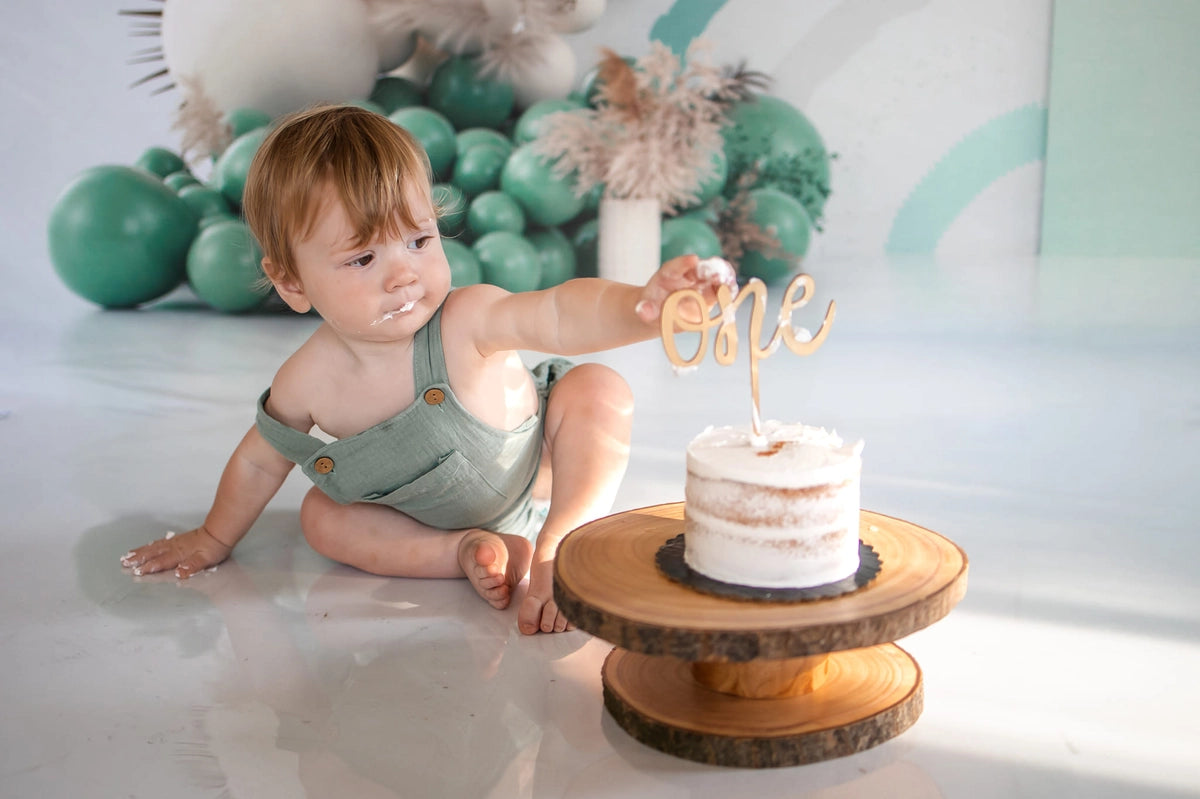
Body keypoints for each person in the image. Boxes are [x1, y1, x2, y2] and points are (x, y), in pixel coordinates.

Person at [121, 104, 730, 635]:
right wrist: (213, 537)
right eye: (362, 257)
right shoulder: (308, 381)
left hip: (538, 471)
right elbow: (260, 459)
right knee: (321, 518)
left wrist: (645, 308)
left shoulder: (468, 318)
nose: (403, 274)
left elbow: (560, 313)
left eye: (418, 240)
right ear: (291, 282)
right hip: (420, 517)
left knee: (597, 388)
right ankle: (458, 551)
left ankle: (566, 538)